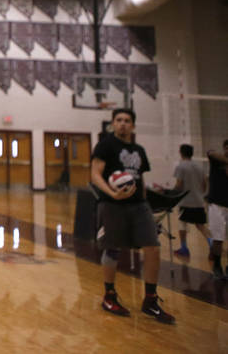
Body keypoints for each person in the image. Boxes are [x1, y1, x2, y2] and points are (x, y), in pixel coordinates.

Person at [90, 108, 174, 323]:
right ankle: (109, 295)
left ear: (133, 125)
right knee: (113, 249)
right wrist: (112, 193)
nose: (123, 124)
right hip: (112, 204)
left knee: (153, 247)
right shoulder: (106, 145)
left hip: (139, 205)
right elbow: (95, 174)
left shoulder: (139, 150)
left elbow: (140, 181)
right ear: (113, 124)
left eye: (127, 120)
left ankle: (150, 299)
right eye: (118, 120)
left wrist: (147, 205)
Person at [162, 144, 210, 258]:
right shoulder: (199, 167)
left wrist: (168, 194)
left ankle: (184, 248)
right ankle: (212, 244)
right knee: (201, 226)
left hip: (185, 202)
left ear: (181, 153)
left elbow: (179, 186)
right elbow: (204, 184)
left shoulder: (181, 166)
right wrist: (200, 194)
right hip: (199, 202)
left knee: (182, 224)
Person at [207, 139, 228, 280]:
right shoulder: (217, 160)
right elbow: (210, 153)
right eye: (227, 147)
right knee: (218, 238)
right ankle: (217, 266)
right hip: (217, 205)